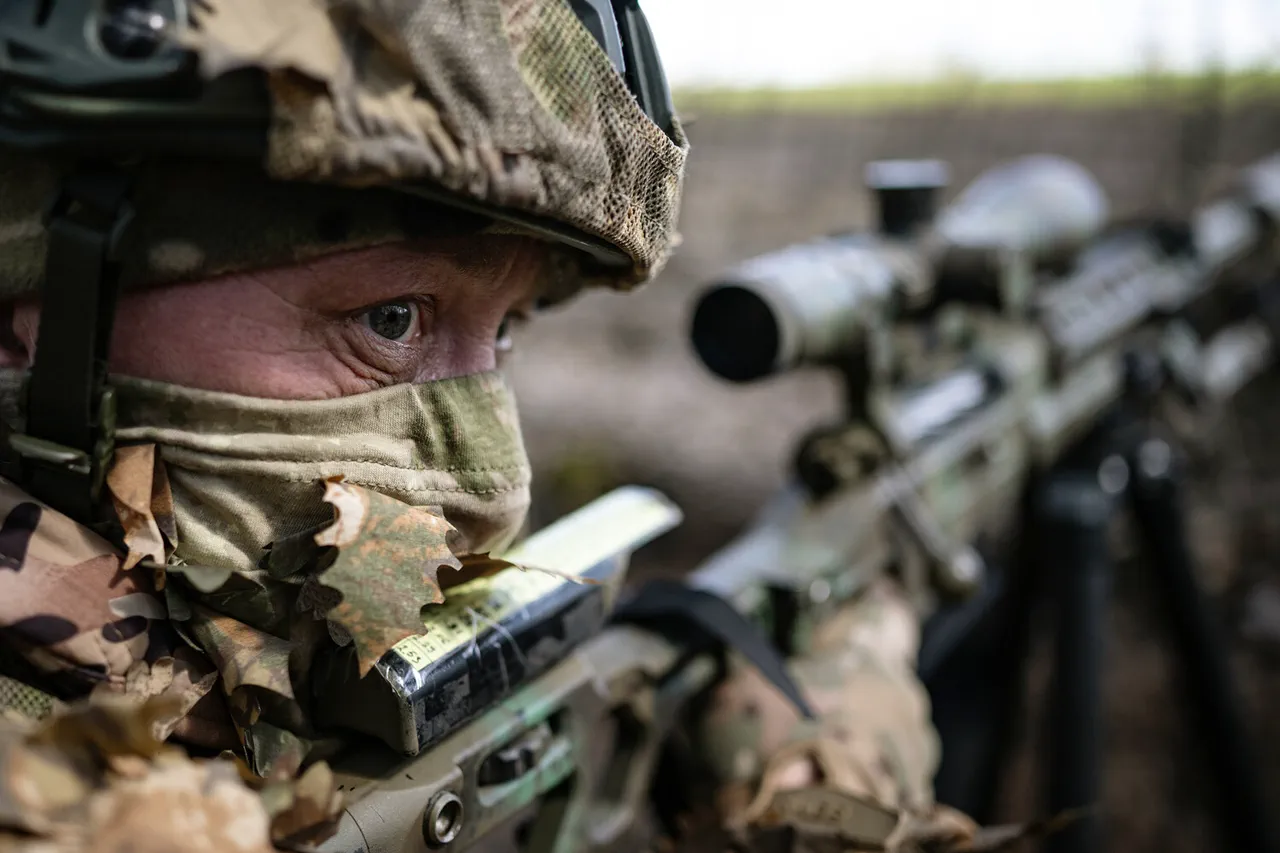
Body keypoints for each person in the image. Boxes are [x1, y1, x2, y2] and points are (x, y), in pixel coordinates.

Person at [0, 2, 971, 851]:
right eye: (389, 321)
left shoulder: (209, 695)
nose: (497, 492)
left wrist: (791, 748)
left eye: (505, 334)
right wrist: (864, 697)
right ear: (23, 310)